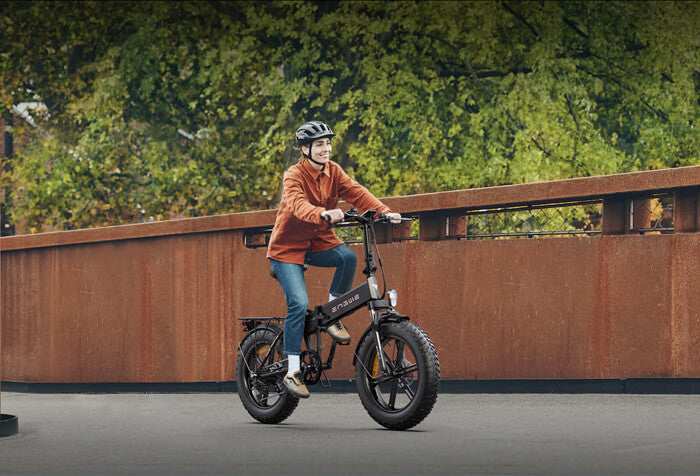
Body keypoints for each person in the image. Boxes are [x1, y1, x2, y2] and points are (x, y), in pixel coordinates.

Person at [266, 121, 401, 398]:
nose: (326, 149)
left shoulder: (334, 171)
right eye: (319, 144)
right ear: (305, 149)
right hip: (287, 248)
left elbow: (357, 193)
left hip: (317, 241)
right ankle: (292, 370)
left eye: (328, 143)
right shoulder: (293, 175)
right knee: (299, 304)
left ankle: (330, 314)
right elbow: (297, 204)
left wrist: (385, 212)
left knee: (347, 257)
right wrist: (322, 213)